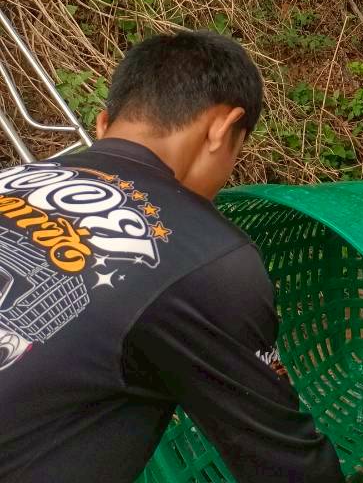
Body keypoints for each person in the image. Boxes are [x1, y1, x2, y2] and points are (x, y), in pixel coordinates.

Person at [0, 31, 344, 483]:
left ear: (104, 124)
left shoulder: (11, 177)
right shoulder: (208, 256)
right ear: (222, 129)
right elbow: (287, 464)